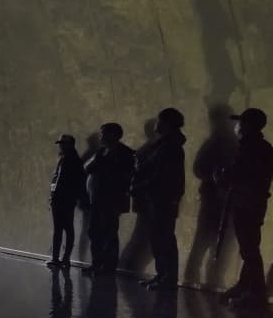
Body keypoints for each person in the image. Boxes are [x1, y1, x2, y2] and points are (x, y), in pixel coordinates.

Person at [217, 108, 273, 307]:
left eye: (240, 122)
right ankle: (245, 286)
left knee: (249, 249)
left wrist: (220, 175)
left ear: (248, 126)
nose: (237, 126)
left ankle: (255, 292)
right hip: (250, 202)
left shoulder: (253, 148)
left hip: (247, 203)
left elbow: (236, 173)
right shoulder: (258, 146)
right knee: (249, 247)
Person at [131, 107, 186, 291]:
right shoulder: (167, 145)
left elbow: (161, 175)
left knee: (163, 239)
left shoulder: (168, 147)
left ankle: (167, 278)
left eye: (159, 120)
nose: (157, 124)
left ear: (167, 123)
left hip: (161, 199)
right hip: (160, 199)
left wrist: (138, 186)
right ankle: (164, 276)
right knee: (161, 239)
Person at [83, 123, 135, 274]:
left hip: (112, 201)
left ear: (113, 134)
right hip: (97, 199)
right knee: (94, 232)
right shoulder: (101, 152)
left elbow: (126, 177)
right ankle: (97, 263)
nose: (101, 136)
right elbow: (87, 168)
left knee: (109, 233)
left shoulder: (126, 154)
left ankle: (108, 266)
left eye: (103, 133)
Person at [48, 134, 86, 268]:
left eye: (63, 143)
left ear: (70, 145)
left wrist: (54, 197)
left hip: (63, 199)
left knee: (62, 229)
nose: (60, 146)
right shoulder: (67, 159)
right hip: (63, 199)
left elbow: (63, 181)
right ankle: (62, 258)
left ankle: (59, 258)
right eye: (60, 143)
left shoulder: (70, 160)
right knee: (64, 229)